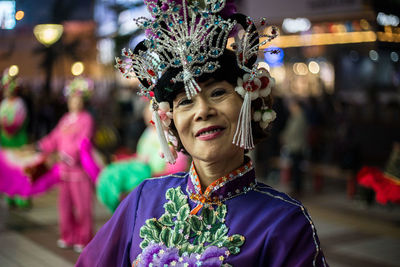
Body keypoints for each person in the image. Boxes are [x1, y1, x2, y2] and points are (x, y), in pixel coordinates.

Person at [77, 0, 328, 266]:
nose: (202, 111)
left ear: (248, 100)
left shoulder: (283, 222)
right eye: (186, 101)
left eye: (218, 93)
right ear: (168, 119)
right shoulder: (143, 199)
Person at [36, 76, 95, 253]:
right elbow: (54, 137)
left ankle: (84, 238)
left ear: (82, 100)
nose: (74, 102)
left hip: (79, 171)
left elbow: (83, 141)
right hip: (63, 171)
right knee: (64, 206)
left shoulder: (86, 119)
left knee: (83, 207)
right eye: (71, 98)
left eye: (77, 99)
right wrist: (41, 146)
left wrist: (68, 154)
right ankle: (68, 235)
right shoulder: (65, 119)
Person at [0, 67, 31, 209]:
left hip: (17, 141)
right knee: (8, 170)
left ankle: (22, 198)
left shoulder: (20, 104)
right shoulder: (4, 104)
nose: (7, 91)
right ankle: (10, 195)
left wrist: (8, 128)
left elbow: (19, 121)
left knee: (20, 170)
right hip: (6, 142)